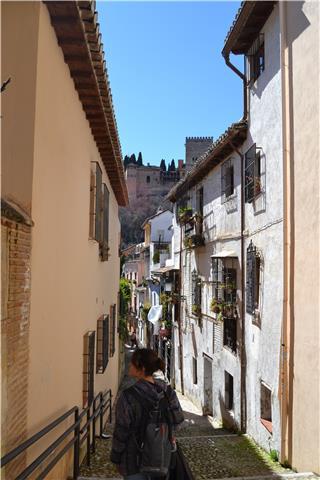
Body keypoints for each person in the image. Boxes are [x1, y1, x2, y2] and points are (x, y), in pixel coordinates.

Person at [111, 348, 184, 479]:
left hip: (133, 461)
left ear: (142, 368)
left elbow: (121, 431)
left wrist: (116, 456)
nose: (129, 365)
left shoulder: (128, 397)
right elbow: (178, 421)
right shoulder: (167, 392)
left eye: (132, 363)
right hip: (161, 459)